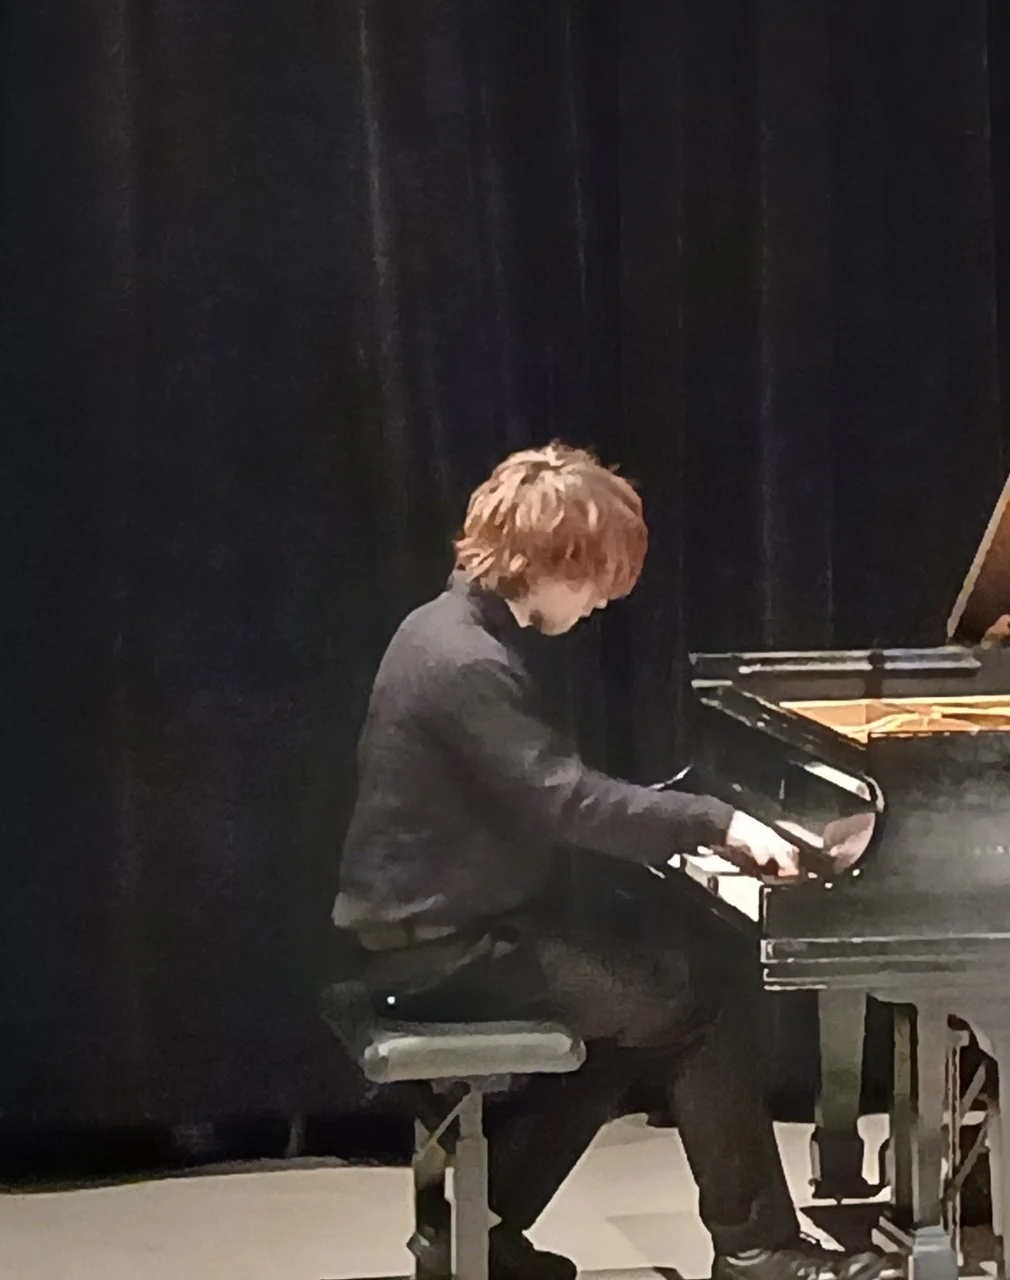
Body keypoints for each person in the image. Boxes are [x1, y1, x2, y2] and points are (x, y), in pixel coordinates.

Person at [331, 443, 889, 1280]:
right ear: (548, 561)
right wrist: (716, 821)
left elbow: (551, 801)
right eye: (595, 580)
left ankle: (474, 1234)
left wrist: (685, 836)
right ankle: (759, 1251)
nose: (600, 602)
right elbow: (565, 802)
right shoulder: (468, 661)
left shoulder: (444, 629)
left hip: (438, 929)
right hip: (444, 951)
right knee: (696, 1000)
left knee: (643, 1005)